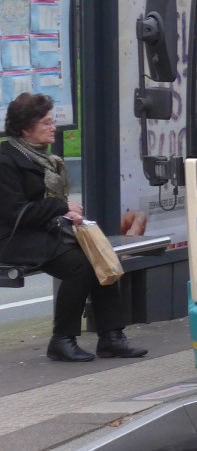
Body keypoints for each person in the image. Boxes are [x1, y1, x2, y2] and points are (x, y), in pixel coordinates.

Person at [0, 93, 147, 362]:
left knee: (100, 257)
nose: (53, 127)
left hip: (42, 231)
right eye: (46, 123)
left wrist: (66, 213)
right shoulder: (6, 160)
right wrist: (61, 208)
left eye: (52, 121)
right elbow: (14, 213)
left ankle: (112, 337)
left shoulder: (43, 158)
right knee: (78, 266)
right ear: (25, 128)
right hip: (12, 238)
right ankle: (62, 340)